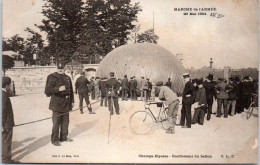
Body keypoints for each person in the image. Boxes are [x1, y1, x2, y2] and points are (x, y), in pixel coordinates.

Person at [45, 61, 74, 146]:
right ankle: (54, 140)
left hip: (66, 103)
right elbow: (47, 91)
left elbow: (71, 91)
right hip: (57, 103)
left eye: (62, 68)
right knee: (56, 123)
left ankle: (64, 137)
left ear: (64, 68)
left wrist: (72, 101)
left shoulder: (67, 78)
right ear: (57, 68)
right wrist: (58, 89)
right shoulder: (52, 77)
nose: (60, 70)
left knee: (65, 122)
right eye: (59, 68)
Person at [2, 77, 15, 163]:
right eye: (10, 85)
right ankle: (6, 160)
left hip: (5, 123)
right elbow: (2, 110)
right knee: (6, 141)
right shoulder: (3, 95)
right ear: (7, 85)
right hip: (6, 124)